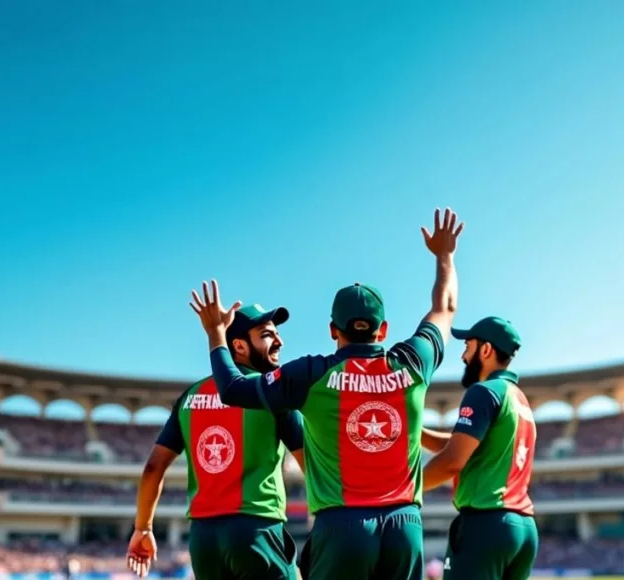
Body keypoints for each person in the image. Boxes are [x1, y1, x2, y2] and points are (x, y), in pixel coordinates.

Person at [187, 208, 464, 580]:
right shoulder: (413, 361)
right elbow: (444, 307)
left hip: (341, 527)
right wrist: (445, 256)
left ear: (334, 330)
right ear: (383, 330)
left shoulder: (312, 373)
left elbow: (233, 389)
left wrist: (215, 333)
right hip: (405, 526)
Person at [126, 304, 306, 580]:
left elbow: (153, 468)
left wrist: (143, 529)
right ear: (240, 346)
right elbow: (311, 466)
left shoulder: (190, 396)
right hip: (256, 530)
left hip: (203, 540)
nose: (279, 341)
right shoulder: (273, 392)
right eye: (267, 334)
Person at [420, 316, 538, 580]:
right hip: (523, 528)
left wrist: (407, 487)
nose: (463, 355)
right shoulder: (518, 398)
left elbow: (453, 459)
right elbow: (461, 443)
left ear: (485, 350)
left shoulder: (483, 392)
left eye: (468, 346)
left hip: (485, 526)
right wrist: (415, 432)